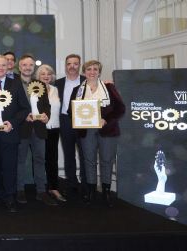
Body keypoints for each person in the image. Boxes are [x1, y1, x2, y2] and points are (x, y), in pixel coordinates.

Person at [69, 60, 125, 207]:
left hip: (108, 130)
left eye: (95, 69)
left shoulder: (109, 87)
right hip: (86, 130)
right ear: (84, 71)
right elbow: (71, 111)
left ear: (99, 72)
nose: (92, 72)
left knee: (107, 160)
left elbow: (120, 108)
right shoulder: (77, 90)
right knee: (89, 161)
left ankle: (106, 193)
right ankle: (91, 191)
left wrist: (105, 119)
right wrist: (80, 119)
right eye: (89, 69)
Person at [0, 55, 30, 213]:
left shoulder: (15, 84)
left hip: (10, 133)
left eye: (4, 65)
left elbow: (25, 108)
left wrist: (13, 123)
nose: (1, 67)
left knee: (10, 167)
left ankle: (10, 197)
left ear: (8, 66)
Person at [14, 55, 56, 206]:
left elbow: (46, 106)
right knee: (20, 161)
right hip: (21, 129)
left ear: (33, 67)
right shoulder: (13, 84)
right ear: (19, 67)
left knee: (40, 160)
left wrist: (46, 116)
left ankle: (41, 192)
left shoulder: (40, 84)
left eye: (30, 65)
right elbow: (11, 108)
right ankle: (19, 190)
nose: (27, 67)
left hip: (39, 129)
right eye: (24, 65)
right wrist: (24, 116)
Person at [55, 54, 87, 197]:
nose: (72, 66)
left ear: (79, 65)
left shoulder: (88, 81)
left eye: (75, 63)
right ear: (66, 66)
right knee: (68, 154)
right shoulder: (58, 83)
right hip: (65, 121)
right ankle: (72, 184)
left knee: (84, 153)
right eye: (69, 63)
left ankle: (85, 184)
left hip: (83, 121)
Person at [36, 64, 66, 202]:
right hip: (39, 129)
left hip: (54, 128)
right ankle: (41, 188)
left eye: (48, 74)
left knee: (52, 159)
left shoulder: (56, 89)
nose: (46, 76)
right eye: (43, 74)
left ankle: (53, 187)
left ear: (52, 76)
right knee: (40, 159)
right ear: (38, 76)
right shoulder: (34, 89)